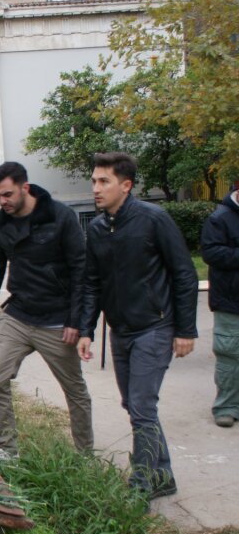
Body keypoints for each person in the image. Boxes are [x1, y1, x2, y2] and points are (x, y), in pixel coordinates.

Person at [78, 152, 198, 501]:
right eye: (94, 181)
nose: (96, 188)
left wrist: (186, 330)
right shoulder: (97, 229)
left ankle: (141, 486)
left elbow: (185, 274)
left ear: (126, 185)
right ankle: (164, 476)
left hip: (155, 327)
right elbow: (92, 283)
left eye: (104, 181)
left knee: (143, 406)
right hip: (121, 330)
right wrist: (86, 330)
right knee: (134, 405)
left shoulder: (153, 219)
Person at [0, 161, 93, 459]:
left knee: (75, 390)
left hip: (57, 320)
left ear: (25, 188)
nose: (3, 201)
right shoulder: (2, 222)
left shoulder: (60, 216)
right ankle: (7, 451)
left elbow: (81, 270)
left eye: (8, 194)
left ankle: (85, 457)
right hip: (19, 315)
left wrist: (76, 320)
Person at [201, 186, 239, 428]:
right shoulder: (219, 218)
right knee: (229, 355)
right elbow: (211, 253)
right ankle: (226, 407)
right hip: (230, 300)